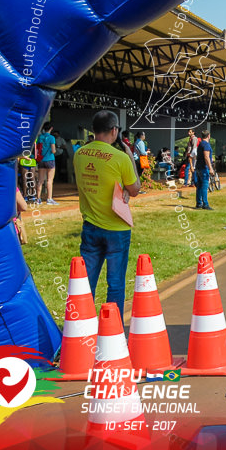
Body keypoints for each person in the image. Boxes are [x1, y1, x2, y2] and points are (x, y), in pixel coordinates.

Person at [74, 110, 140, 316]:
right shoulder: (120, 157)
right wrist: (130, 158)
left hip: (90, 226)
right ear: (114, 130)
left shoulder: (79, 154)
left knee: (86, 284)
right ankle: (113, 330)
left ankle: (83, 326)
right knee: (115, 284)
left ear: (93, 130)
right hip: (116, 228)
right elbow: (135, 189)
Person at [35, 122, 58, 205]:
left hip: (41, 160)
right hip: (50, 160)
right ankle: (49, 199)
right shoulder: (52, 138)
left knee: (40, 180)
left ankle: (38, 199)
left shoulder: (40, 137)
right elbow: (53, 150)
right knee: (49, 180)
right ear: (51, 128)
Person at [195, 129, 216, 210]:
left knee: (199, 186)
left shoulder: (200, 144)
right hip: (204, 168)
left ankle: (198, 203)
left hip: (198, 167)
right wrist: (210, 168)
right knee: (204, 186)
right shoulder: (206, 145)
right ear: (209, 136)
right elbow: (206, 157)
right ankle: (205, 204)